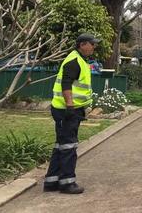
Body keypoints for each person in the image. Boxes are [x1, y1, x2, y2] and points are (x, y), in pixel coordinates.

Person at [43, 33, 100, 194]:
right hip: (66, 110)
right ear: (82, 45)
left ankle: (52, 181)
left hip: (68, 109)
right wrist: (69, 106)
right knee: (69, 145)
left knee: (61, 145)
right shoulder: (74, 61)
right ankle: (67, 183)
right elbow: (66, 85)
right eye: (91, 44)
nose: (94, 47)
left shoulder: (80, 60)